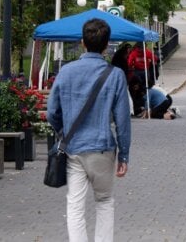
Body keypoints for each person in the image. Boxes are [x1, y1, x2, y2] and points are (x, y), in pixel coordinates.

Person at [46, 18, 130, 242]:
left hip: (74, 149)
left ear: (82, 42)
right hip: (103, 149)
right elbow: (122, 120)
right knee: (104, 201)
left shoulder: (66, 72)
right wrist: (124, 155)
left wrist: (63, 132)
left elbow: (52, 112)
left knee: (74, 204)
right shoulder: (116, 75)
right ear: (106, 45)